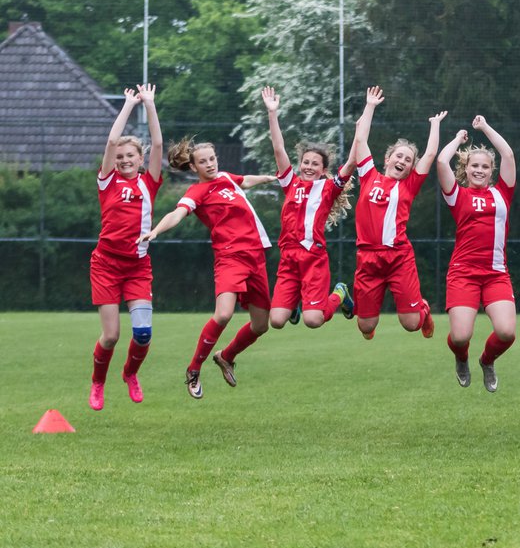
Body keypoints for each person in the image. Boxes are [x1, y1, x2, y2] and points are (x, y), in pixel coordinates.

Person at [141, 138, 277, 398]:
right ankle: (194, 369)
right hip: (230, 257)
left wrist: (271, 178)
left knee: (261, 325)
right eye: (203, 161)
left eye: (212, 159)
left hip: (255, 256)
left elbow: (244, 180)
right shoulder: (197, 193)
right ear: (193, 167)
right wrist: (156, 230)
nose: (210, 164)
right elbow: (177, 214)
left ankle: (226, 356)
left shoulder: (225, 178)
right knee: (223, 314)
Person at [349, 87, 445, 343]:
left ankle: (422, 310)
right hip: (368, 258)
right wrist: (370, 106)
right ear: (388, 159)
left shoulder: (408, 186)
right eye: (399, 156)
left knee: (411, 324)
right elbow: (360, 142)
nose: (403, 160)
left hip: (398, 257)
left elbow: (431, 154)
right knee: (365, 326)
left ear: (411, 168)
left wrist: (435, 124)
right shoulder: (369, 176)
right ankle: (368, 321)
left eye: (408, 159)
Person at [89, 84, 163, 410]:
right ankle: (97, 382)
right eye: (119, 157)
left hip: (137, 266)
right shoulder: (108, 182)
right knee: (111, 336)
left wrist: (149, 104)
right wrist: (128, 105)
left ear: (140, 158)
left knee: (143, 334)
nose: (123, 160)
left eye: (130, 155)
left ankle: (130, 373)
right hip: (105, 265)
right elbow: (109, 141)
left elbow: (159, 142)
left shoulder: (149, 183)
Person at [260, 87, 356, 330]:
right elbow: (278, 149)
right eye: (306, 162)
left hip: (313, 258)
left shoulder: (328, 188)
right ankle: (293, 303)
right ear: (299, 164)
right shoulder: (290, 183)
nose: (309, 167)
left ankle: (340, 294)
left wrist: (363, 123)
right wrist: (272, 113)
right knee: (277, 321)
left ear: (323, 170)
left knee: (313, 320)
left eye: (315, 164)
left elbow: (353, 162)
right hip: (289, 259)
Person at [437, 116, 518, 393]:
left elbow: (507, 153)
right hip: (463, 273)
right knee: (460, 337)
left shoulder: (502, 193)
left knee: (507, 333)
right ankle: (462, 358)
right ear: (467, 168)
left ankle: (487, 360)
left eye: (485, 166)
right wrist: (458, 140)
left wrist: (484, 128)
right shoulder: (457, 196)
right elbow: (440, 162)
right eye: (475, 165)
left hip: (496, 273)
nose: (480, 170)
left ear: (491, 170)